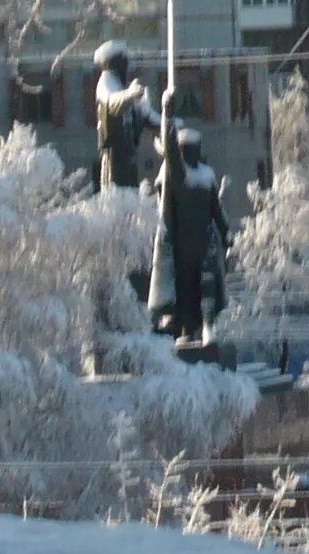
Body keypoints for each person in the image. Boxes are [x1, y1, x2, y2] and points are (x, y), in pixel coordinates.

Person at [158, 120, 232, 354]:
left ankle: (208, 327)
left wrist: (226, 231)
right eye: (190, 148)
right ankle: (187, 330)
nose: (194, 152)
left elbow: (216, 209)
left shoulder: (206, 176)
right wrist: (167, 114)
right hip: (181, 247)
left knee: (208, 285)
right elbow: (169, 150)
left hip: (204, 243)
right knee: (186, 291)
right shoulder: (177, 176)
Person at [94, 40, 153, 193]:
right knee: (116, 193)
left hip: (128, 153)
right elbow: (112, 102)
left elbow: (143, 116)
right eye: (124, 63)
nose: (127, 68)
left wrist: (166, 121)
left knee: (130, 191)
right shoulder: (106, 81)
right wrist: (130, 94)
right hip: (113, 154)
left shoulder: (120, 86)